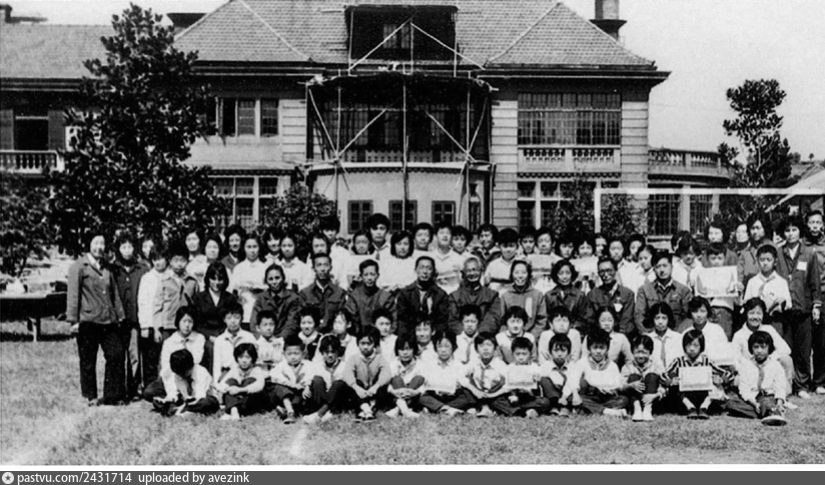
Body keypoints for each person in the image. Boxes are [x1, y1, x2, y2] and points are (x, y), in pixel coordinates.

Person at [68, 233, 126, 406]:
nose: (99, 247)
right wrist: (73, 321)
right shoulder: (79, 266)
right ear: (89, 245)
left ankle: (112, 395)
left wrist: (120, 316)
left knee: (116, 354)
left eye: (102, 243)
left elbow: (114, 294)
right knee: (88, 359)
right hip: (88, 321)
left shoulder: (107, 267)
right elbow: (73, 294)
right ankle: (91, 395)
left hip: (108, 320)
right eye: (96, 243)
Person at [774, 215, 822, 399]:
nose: (791, 234)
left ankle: (802, 385)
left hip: (804, 308)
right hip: (784, 310)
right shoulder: (778, 253)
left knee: (803, 349)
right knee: (787, 348)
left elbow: (814, 282)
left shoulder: (809, 253)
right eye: (787, 230)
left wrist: (816, 305)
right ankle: (788, 383)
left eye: (794, 230)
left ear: (800, 232)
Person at [732, 298, 793, 401]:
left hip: (769, 368)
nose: (755, 317)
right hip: (749, 371)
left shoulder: (768, 329)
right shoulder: (739, 335)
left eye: (759, 313)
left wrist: (768, 359)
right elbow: (735, 358)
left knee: (786, 359)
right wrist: (747, 366)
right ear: (746, 314)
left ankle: (782, 394)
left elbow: (786, 349)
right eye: (751, 313)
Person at [112, 231, 148, 400]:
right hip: (117, 320)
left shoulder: (142, 269)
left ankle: (134, 388)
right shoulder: (113, 269)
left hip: (135, 319)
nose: (127, 250)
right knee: (119, 354)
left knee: (134, 354)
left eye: (130, 246)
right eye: (123, 247)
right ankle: (120, 389)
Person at [664, 330, 731, 419]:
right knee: (676, 387)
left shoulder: (706, 361)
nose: (692, 348)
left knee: (714, 386)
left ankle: (704, 408)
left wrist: (721, 380)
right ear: (684, 346)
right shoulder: (678, 361)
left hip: (703, 395)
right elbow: (664, 375)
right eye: (688, 345)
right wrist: (671, 381)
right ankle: (690, 408)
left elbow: (727, 373)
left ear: (701, 346)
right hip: (685, 397)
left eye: (696, 345)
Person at [143, 307, 206, 402]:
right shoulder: (169, 342)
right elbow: (166, 365)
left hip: (191, 375)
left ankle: (182, 397)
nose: (187, 325)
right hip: (173, 375)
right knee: (150, 392)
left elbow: (197, 360)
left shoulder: (199, 338)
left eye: (190, 322)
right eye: (184, 321)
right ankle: (174, 396)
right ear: (178, 322)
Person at [725, 331, 788, 426]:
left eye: (763, 347)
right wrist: (753, 403)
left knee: (766, 402)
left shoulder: (775, 365)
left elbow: (780, 387)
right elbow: (744, 389)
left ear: (769, 348)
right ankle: (766, 412)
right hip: (752, 398)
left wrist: (779, 402)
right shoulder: (746, 365)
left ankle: (772, 411)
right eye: (756, 347)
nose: (759, 351)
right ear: (751, 348)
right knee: (731, 403)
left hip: (768, 396)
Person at [562, 329, 628, 417]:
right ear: (589, 348)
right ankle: (607, 411)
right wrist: (575, 395)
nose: (598, 351)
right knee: (573, 397)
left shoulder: (612, 365)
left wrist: (606, 388)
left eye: (602, 348)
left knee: (623, 400)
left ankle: (589, 409)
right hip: (588, 396)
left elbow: (616, 383)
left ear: (607, 349)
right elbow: (573, 380)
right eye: (595, 347)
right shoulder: (582, 363)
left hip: (604, 397)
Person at [635, 251, 693, 333]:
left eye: (665, 266)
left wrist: (678, 335)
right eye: (658, 267)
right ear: (654, 270)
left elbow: (689, 317)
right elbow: (639, 316)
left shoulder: (683, 290)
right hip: (652, 334)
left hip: (677, 333)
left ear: (671, 267)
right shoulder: (644, 290)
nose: (662, 270)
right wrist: (649, 334)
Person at [343, 326, 392, 421]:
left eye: (369, 343)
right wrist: (357, 388)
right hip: (359, 392)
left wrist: (376, 386)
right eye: (362, 343)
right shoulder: (353, 359)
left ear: (375, 344)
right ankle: (367, 410)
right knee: (351, 385)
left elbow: (386, 373)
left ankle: (366, 409)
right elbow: (347, 374)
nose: (365, 347)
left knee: (384, 386)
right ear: (358, 344)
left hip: (374, 391)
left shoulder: (379, 358)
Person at [151, 349, 219, 417]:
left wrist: (183, 406)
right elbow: (173, 392)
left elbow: (199, 397)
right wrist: (166, 400)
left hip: (201, 400)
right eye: (179, 374)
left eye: (184, 374)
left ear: (191, 366)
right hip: (185, 401)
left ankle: (182, 411)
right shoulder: (177, 375)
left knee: (207, 402)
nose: (182, 377)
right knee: (158, 402)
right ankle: (183, 411)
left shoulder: (201, 373)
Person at [692, 242, 740, 339]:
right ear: (707, 259)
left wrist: (738, 289)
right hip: (707, 310)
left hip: (724, 310)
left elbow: (736, 299)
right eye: (713, 258)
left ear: (725, 258)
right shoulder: (701, 273)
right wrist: (694, 286)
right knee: (705, 338)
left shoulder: (730, 274)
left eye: (720, 258)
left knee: (723, 338)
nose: (716, 262)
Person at [153, 241, 199, 341]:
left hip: (186, 325)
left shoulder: (192, 281)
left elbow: (196, 305)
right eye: (176, 260)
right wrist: (157, 328)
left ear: (187, 261)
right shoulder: (164, 280)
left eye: (182, 260)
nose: (179, 264)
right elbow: (157, 306)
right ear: (170, 261)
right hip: (168, 325)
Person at [395, 256, 450, 337]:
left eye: (429, 268)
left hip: (433, 335)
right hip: (410, 334)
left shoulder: (440, 295)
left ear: (433, 271)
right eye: (421, 268)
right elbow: (403, 320)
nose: (425, 272)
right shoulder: (405, 293)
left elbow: (442, 321)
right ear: (416, 270)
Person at [457, 332, 509, 417]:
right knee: (465, 390)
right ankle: (478, 407)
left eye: (489, 345)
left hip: (493, 394)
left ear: (495, 348)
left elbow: (510, 382)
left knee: (503, 398)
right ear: (476, 349)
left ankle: (485, 408)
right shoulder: (474, 362)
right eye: (481, 346)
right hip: (477, 393)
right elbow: (460, 375)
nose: (485, 349)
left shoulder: (500, 364)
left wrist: (493, 394)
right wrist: (474, 390)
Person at [137, 247, 168, 390]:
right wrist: (144, 325)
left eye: (161, 258)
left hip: (166, 322)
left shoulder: (170, 276)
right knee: (150, 358)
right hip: (150, 323)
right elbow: (142, 302)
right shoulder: (147, 278)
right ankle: (150, 387)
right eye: (155, 259)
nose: (158, 262)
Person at [418, 331, 468, 416]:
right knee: (422, 398)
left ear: (453, 347)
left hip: (452, 397)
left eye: (447, 346)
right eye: (440, 346)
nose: (443, 350)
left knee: (466, 397)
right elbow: (424, 382)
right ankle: (448, 409)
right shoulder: (430, 364)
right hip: (434, 396)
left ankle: (437, 408)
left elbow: (462, 382)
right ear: (435, 348)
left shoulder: (458, 364)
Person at [448, 256, 502, 335]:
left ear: (481, 271)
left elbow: (493, 319)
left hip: (484, 336)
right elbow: (453, 321)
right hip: (461, 337)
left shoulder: (492, 296)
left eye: (475, 270)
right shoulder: (454, 296)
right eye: (468, 271)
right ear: (463, 274)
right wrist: (464, 335)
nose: (472, 273)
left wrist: (478, 335)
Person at [303, 336, 350, 424]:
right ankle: (323, 412)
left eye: (333, 352)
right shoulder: (317, 365)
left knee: (339, 384)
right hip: (322, 398)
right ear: (322, 352)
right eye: (327, 352)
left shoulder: (344, 366)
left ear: (338, 352)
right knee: (317, 379)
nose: (330, 355)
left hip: (337, 401)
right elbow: (309, 377)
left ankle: (320, 414)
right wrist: (307, 387)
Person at [496, 337, 548, 418]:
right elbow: (506, 387)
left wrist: (537, 382)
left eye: (524, 354)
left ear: (530, 354)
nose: (521, 357)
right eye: (518, 354)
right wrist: (511, 395)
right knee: (497, 401)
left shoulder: (535, 367)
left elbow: (538, 391)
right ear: (512, 354)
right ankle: (526, 411)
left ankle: (518, 411)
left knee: (545, 402)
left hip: (529, 398)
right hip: (513, 398)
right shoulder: (509, 368)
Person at [269, 335, 315, 423]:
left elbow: (310, 376)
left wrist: (307, 386)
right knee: (278, 387)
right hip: (286, 394)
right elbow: (274, 376)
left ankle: (286, 409)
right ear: (284, 354)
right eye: (289, 354)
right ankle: (290, 411)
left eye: (296, 353)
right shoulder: (282, 365)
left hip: (301, 393)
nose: (293, 357)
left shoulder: (308, 365)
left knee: (307, 393)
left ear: (303, 354)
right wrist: (291, 384)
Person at [743, 244, 791, 328]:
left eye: (769, 260)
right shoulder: (752, 282)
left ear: (775, 262)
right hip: (756, 322)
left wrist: (779, 304)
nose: (765, 263)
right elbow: (747, 302)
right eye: (762, 260)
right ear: (757, 260)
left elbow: (788, 304)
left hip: (775, 321)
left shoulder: (781, 282)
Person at [803, 210, 825, 395]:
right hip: (805, 296)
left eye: (818, 222)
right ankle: (802, 380)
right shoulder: (801, 246)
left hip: (823, 294)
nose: (815, 226)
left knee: (821, 340)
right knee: (806, 339)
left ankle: (819, 380)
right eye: (812, 222)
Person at [299, 253, 348, 335]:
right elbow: (302, 319)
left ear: (331, 267)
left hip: (334, 334)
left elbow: (342, 318)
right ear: (313, 268)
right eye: (319, 265)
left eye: (326, 265)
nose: (322, 269)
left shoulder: (340, 293)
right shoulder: (305, 293)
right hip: (311, 335)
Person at [679, 297, 735, 367]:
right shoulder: (686, 333)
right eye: (695, 311)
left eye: (702, 311)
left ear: (708, 312)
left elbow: (725, 354)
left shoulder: (717, 330)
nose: (699, 315)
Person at [249, 263, 302, 337]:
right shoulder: (261, 298)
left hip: (286, 339)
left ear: (283, 278)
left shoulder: (293, 298)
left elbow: (291, 324)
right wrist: (262, 339)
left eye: (277, 278)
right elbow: (254, 323)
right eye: (270, 279)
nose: (274, 282)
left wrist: (278, 340)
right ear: (266, 281)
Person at [588, 257, 636, 336]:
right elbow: (591, 320)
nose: (606, 275)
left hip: (621, 336)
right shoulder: (592, 295)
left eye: (609, 270)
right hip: (599, 337)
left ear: (616, 270)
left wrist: (617, 337)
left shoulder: (627, 294)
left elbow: (626, 320)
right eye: (602, 272)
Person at [621, 335, 664, 422]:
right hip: (634, 400)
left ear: (650, 352)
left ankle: (647, 409)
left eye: (644, 352)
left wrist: (655, 395)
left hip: (652, 399)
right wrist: (631, 385)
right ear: (632, 352)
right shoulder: (628, 366)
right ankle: (637, 410)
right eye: (637, 352)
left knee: (652, 376)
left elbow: (664, 385)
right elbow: (621, 385)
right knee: (633, 376)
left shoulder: (656, 366)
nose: (640, 356)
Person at [219, 343, 267, 421]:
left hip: (251, 401)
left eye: (247, 357)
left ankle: (231, 410)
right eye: (240, 357)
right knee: (231, 381)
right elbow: (222, 384)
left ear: (253, 358)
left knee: (250, 380)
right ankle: (234, 411)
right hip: (238, 398)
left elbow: (259, 386)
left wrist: (240, 390)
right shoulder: (235, 369)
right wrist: (229, 388)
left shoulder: (256, 370)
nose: (244, 361)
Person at [545, 259, 593, 337]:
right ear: (556, 275)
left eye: (568, 273)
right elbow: (546, 318)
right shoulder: (549, 296)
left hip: (574, 332)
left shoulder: (579, 295)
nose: (564, 277)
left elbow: (585, 318)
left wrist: (568, 327)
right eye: (560, 273)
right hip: (554, 332)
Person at [211, 302, 256, 383]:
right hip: (227, 375)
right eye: (229, 318)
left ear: (242, 318)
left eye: (236, 317)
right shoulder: (220, 340)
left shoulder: (249, 337)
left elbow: (254, 360)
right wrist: (216, 383)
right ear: (224, 319)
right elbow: (216, 365)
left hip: (246, 375)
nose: (233, 321)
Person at [230, 235, 268, 326]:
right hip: (244, 308)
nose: (252, 250)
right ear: (244, 248)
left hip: (260, 308)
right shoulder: (238, 268)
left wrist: (261, 289)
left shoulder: (265, 267)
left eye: (255, 247)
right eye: (249, 247)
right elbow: (232, 289)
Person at [384, 335, 426, 418]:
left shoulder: (420, 364)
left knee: (419, 378)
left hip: (414, 395)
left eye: (408, 349)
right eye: (401, 349)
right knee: (396, 379)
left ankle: (398, 408)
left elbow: (426, 384)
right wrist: (393, 391)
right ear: (397, 350)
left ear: (414, 349)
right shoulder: (393, 364)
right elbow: (387, 383)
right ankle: (406, 409)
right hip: (397, 394)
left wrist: (415, 392)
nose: (405, 353)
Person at [345, 259, 395, 330]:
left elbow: (393, 320)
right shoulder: (354, 296)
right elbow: (350, 319)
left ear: (377, 275)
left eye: (372, 274)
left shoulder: (386, 297)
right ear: (361, 276)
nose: (369, 278)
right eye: (366, 275)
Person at [538, 334, 574, 416]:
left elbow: (572, 384)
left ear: (569, 352)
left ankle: (565, 407)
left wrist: (564, 397)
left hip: (566, 395)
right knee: (544, 379)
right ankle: (554, 406)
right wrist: (554, 378)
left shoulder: (572, 366)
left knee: (572, 381)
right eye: (556, 350)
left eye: (563, 351)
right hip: (552, 396)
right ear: (550, 352)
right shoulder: (545, 366)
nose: (559, 354)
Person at [737, 213, 775, 288]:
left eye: (758, 228)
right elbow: (739, 274)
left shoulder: (774, 249)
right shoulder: (745, 252)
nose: (755, 232)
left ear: (765, 228)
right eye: (752, 228)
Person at [646, 303, 684, 370]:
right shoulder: (647, 338)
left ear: (669, 319)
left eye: (664, 318)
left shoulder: (678, 338)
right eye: (657, 318)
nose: (660, 322)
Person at [484, 228, 521, 294]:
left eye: (511, 246)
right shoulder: (493, 265)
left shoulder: (521, 264)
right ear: (499, 246)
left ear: (517, 246)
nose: (508, 250)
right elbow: (486, 284)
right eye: (505, 246)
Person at [528, 226, 559, 293]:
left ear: (553, 243)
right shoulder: (531, 259)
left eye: (547, 241)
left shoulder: (558, 260)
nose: (543, 244)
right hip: (535, 293)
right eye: (540, 241)